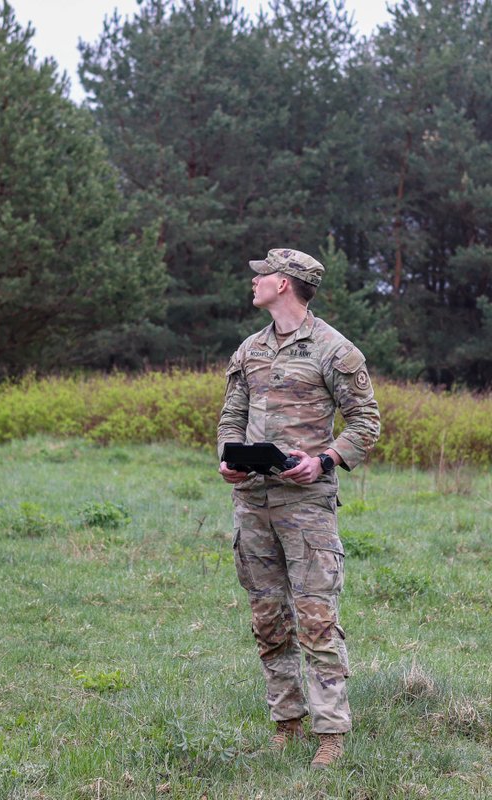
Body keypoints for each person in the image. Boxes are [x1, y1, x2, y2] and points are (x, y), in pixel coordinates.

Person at [217, 248, 380, 769]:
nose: (254, 282)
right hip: (252, 503)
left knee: (316, 620)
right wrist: (227, 459)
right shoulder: (249, 349)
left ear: (283, 283)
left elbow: (366, 423)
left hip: (306, 506)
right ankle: (286, 724)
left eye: (261, 275)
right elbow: (231, 417)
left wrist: (324, 460)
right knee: (268, 619)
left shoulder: (335, 350)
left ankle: (330, 734)